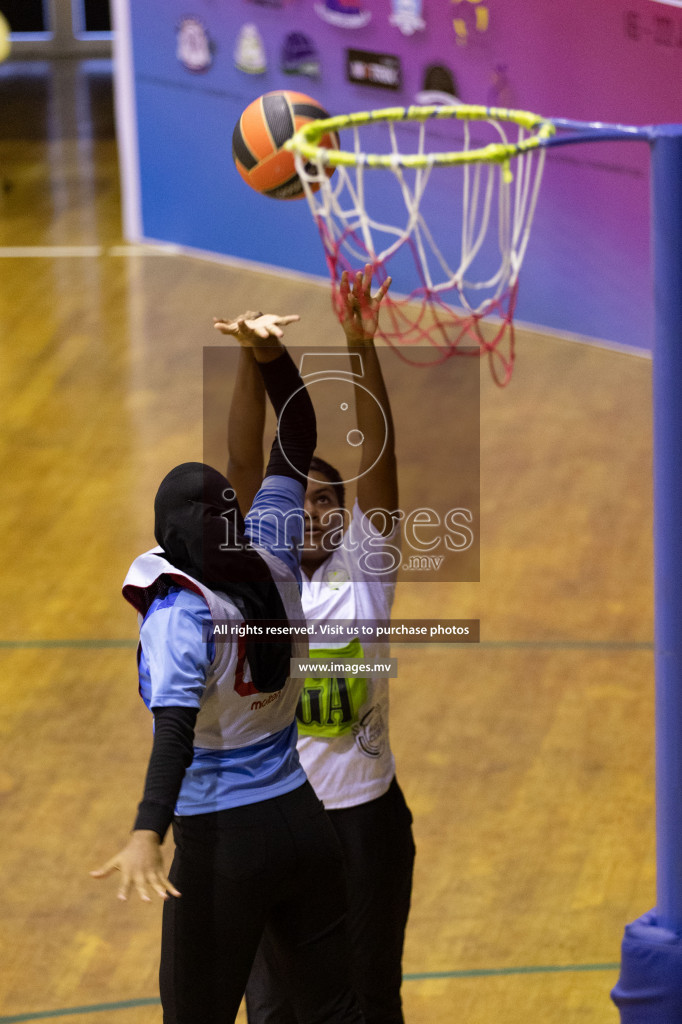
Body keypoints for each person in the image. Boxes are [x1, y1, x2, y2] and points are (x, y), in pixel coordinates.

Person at [91, 315, 365, 1024]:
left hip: (224, 847)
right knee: (333, 1010)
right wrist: (272, 356)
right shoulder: (272, 543)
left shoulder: (181, 616)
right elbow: (297, 434)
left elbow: (175, 734)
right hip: (304, 824)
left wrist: (147, 832)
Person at [227, 267, 416, 1024]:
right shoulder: (259, 569)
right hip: (274, 818)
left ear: (345, 514)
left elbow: (380, 454)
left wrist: (358, 341)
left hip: (362, 817)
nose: (311, 509)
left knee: (371, 999)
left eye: (327, 498)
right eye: (299, 496)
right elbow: (243, 468)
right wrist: (252, 355)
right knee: (276, 1008)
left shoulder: (366, 567)